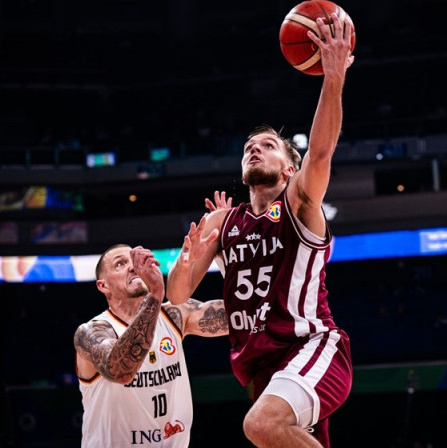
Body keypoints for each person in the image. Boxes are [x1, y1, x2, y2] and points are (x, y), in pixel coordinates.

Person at [165, 12, 355, 448]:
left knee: (260, 425)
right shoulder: (223, 222)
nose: (254, 149)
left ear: (289, 168)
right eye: (249, 147)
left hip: (312, 346)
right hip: (264, 366)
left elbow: (322, 152)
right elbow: (177, 296)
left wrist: (333, 79)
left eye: (267, 146)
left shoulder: (298, 203)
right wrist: (188, 256)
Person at [73, 243, 228, 447]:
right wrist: (155, 294)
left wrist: (224, 256)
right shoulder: (91, 333)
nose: (132, 267)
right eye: (120, 264)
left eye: (134, 260)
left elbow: (242, 316)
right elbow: (121, 371)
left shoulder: (175, 315)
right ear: (103, 286)